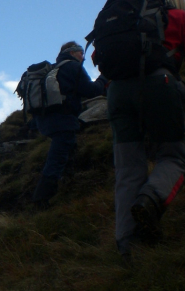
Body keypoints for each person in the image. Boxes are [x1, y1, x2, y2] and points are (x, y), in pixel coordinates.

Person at [105, 0, 185, 265]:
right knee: (173, 157)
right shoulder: (180, 18)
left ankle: (127, 247)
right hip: (160, 85)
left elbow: (100, 57)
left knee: (127, 168)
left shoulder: (120, 17)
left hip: (117, 93)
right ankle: (150, 199)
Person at [32, 41, 108, 207]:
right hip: (63, 119)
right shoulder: (73, 67)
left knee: (64, 149)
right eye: (81, 53)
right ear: (72, 52)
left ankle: (64, 182)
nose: (83, 57)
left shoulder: (53, 68)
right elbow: (92, 91)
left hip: (45, 120)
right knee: (58, 155)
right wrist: (103, 79)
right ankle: (42, 198)